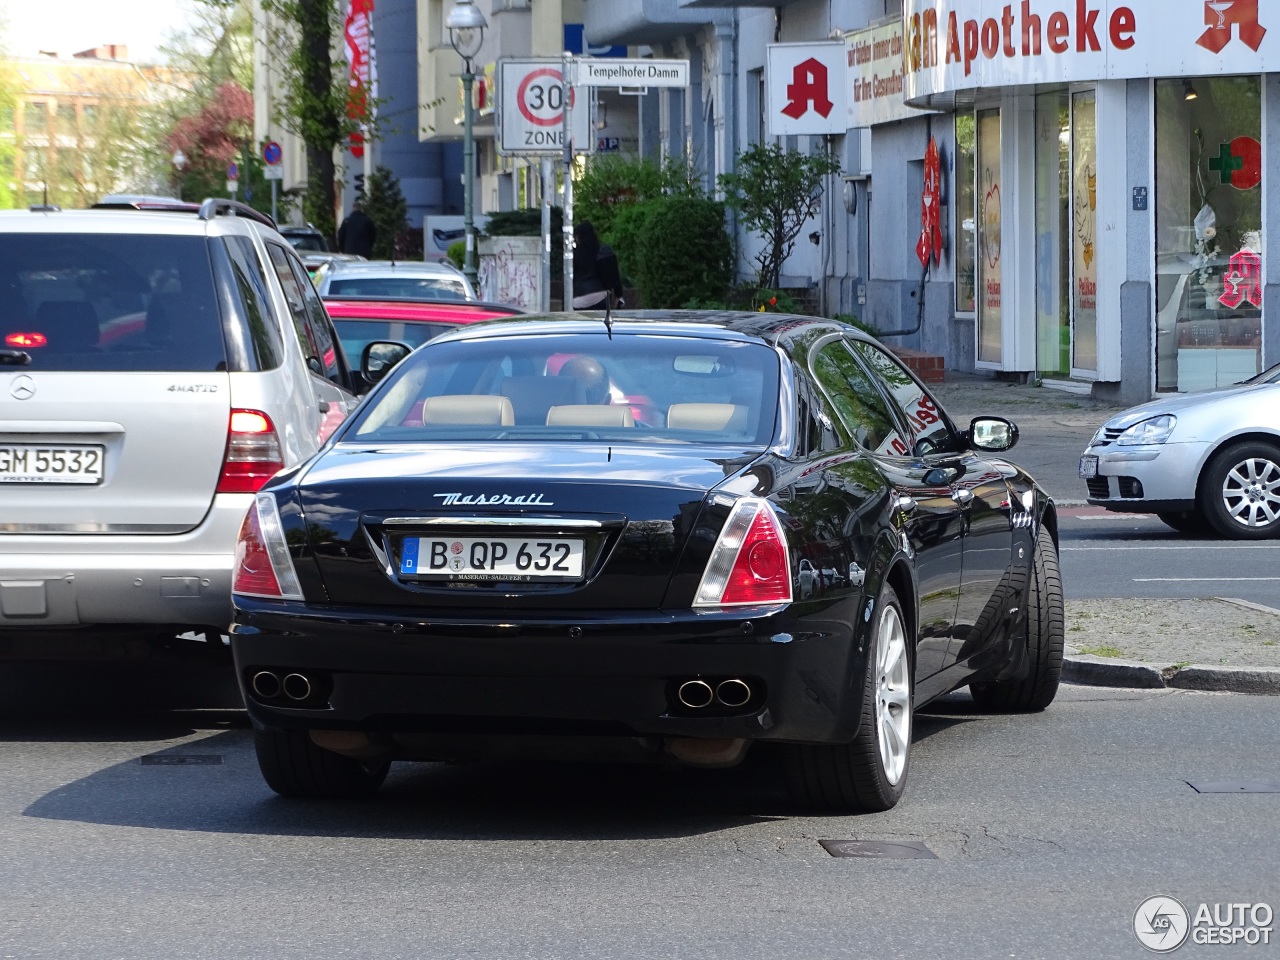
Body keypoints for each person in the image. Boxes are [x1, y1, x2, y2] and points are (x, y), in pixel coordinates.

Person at [571, 221, 624, 310]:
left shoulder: (574, 255)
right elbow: (613, 277)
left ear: (578, 237)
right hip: (600, 296)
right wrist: (619, 295)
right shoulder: (603, 251)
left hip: (577, 300)